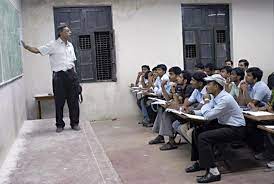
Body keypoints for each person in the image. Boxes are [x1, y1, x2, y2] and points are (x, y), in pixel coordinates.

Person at [185, 74, 246, 183]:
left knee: (204, 137)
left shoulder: (225, 99)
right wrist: (193, 112)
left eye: (209, 84)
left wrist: (207, 102)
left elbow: (208, 115)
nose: (206, 86)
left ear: (217, 86)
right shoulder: (216, 96)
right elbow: (207, 111)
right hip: (224, 124)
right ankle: (201, 163)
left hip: (236, 129)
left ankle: (214, 172)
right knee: (197, 131)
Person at [21, 24, 80, 133]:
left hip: (71, 76)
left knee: (74, 101)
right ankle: (59, 125)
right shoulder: (53, 45)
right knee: (59, 102)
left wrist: (76, 79)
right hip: (59, 77)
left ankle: (74, 123)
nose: (70, 32)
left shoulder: (70, 45)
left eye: (69, 31)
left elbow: (73, 63)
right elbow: (38, 50)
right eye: (67, 31)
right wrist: (27, 47)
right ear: (61, 33)